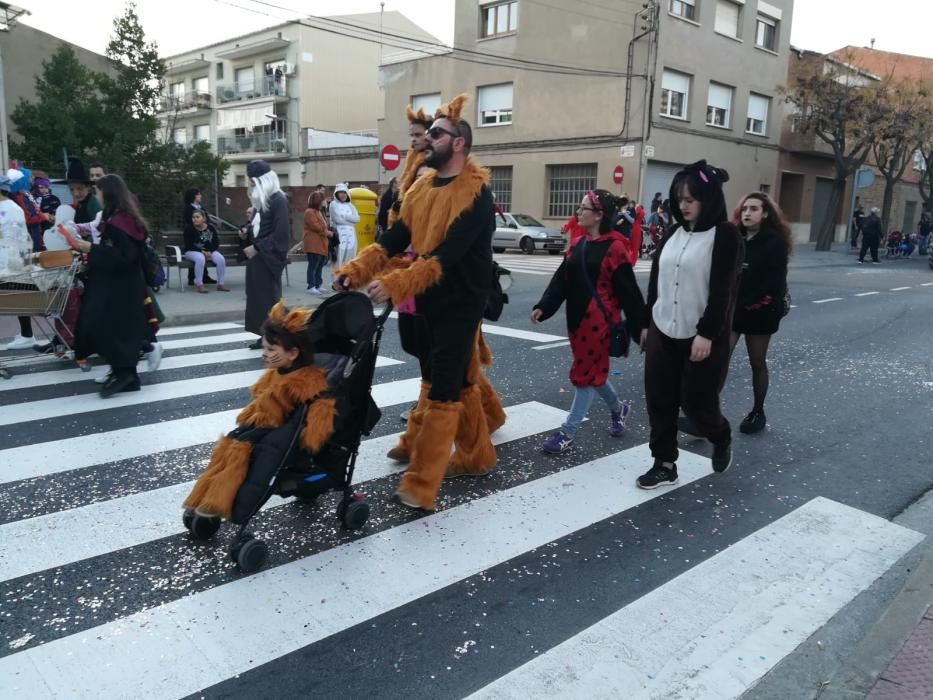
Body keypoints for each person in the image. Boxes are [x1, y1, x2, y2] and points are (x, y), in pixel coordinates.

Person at [334, 94, 500, 511]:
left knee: (445, 387)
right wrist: (357, 270)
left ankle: (422, 485)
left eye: (437, 133)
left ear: (458, 143)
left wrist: (396, 284)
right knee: (451, 378)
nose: (427, 139)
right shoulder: (423, 186)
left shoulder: (476, 193)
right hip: (426, 299)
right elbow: (396, 238)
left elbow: (446, 255)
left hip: (461, 301)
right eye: (428, 133)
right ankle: (478, 455)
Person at [636, 160, 744, 489]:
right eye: (679, 199)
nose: (683, 206)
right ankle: (664, 462)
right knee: (659, 398)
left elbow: (724, 290)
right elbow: (656, 282)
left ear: (707, 198)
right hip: (662, 328)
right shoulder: (672, 233)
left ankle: (720, 435)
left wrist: (707, 334)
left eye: (690, 200)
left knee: (697, 403)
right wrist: (645, 324)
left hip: (700, 335)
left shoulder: (725, 235)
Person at [182, 302, 337, 521]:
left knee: (248, 455)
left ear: (293, 353)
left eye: (271, 350)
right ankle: (208, 496)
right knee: (228, 446)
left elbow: (319, 415)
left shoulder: (308, 382)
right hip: (263, 424)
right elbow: (260, 401)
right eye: (264, 348)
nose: (265, 354)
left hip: (282, 432)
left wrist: (310, 439)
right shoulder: (276, 373)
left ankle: (221, 502)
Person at [531, 189, 645, 453]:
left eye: (583, 209)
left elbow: (630, 293)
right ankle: (619, 409)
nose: (578, 213)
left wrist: (642, 330)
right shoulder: (579, 245)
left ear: (598, 215)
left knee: (584, 376)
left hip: (601, 324)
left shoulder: (615, 248)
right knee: (593, 374)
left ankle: (567, 432)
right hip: (577, 321)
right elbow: (561, 280)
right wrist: (543, 306)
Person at [64, 175, 149, 398]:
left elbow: (124, 257)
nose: (97, 196)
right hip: (118, 284)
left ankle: (125, 373)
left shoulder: (121, 221)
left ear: (108, 193)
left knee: (112, 327)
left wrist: (91, 249)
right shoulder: (120, 218)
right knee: (113, 327)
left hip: (121, 287)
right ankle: (125, 374)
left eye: (99, 192)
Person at [729, 192, 792, 434]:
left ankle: (758, 411)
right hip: (734, 308)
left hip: (762, 309)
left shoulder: (774, 242)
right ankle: (706, 412)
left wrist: (752, 303)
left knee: (757, 361)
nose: (747, 213)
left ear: (765, 213)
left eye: (754, 209)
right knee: (721, 356)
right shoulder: (736, 238)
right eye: (744, 208)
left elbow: (774, 283)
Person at [243, 160, 290, 349]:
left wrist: (257, 247)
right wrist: (247, 231)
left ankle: (281, 335)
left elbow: (281, 234)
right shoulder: (266, 199)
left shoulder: (278, 199)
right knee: (257, 298)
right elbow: (262, 226)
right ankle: (265, 335)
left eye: (253, 180)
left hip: (267, 257)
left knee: (270, 299)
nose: (251, 184)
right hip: (259, 257)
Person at [292, 190, 331, 295]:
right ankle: (311, 286)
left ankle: (318, 285)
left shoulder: (320, 211)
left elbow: (324, 225)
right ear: (318, 201)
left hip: (321, 243)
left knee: (319, 266)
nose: (325, 202)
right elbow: (317, 227)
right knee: (313, 265)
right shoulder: (309, 212)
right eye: (323, 200)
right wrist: (328, 233)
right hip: (313, 243)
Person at [183, 209, 229, 293]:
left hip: (209, 251)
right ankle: (199, 284)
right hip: (191, 252)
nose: (195, 219)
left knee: (221, 259)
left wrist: (210, 252)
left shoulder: (210, 228)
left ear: (203, 218)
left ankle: (220, 284)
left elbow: (215, 243)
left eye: (197, 217)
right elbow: (189, 245)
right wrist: (202, 252)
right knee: (200, 258)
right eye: (193, 217)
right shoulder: (189, 229)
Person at [328, 183, 360, 266]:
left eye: (345, 192)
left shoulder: (351, 205)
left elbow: (357, 219)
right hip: (339, 237)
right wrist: (351, 222)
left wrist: (345, 216)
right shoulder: (333, 204)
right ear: (336, 193)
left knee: (350, 262)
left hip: (351, 237)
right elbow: (337, 219)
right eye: (341, 192)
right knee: (338, 261)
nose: (343, 194)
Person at [63, 157, 101, 225]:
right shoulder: (80, 203)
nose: (76, 193)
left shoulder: (93, 205)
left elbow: (99, 229)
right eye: (71, 189)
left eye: (80, 189)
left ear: (88, 187)